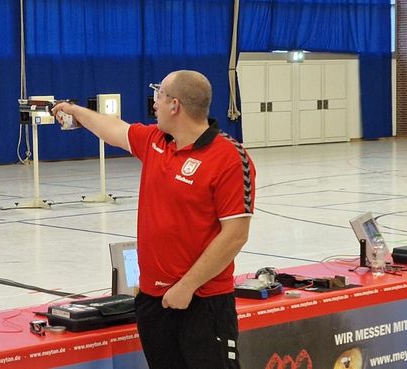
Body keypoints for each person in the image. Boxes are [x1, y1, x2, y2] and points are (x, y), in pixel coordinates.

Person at [52, 70, 255, 369]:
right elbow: (115, 129)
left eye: (159, 96)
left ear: (175, 105)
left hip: (202, 302)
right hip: (152, 301)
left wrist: (186, 286)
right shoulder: (156, 141)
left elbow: (235, 234)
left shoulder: (229, 157)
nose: (154, 104)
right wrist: (75, 111)